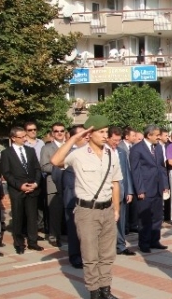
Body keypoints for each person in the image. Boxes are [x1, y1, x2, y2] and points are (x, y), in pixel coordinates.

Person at [50, 115, 122, 299]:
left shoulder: (111, 153)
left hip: (107, 210)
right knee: (90, 256)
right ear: (90, 134)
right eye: (101, 132)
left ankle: (106, 290)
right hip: (87, 211)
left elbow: (115, 183)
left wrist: (116, 209)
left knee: (107, 254)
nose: (106, 135)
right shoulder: (78, 154)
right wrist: (73, 138)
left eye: (107, 131)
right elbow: (55, 161)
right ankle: (94, 292)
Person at [1, 126, 44, 255]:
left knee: (32, 217)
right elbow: (7, 173)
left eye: (25, 136)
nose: (25, 139)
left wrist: (35, 183)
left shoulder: (30, 151)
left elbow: (37, 169)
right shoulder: (6, 153)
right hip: (17, 190)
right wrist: (20, 185)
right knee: (18, 217)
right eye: (21, 137)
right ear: (13, 138)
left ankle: (33, 242)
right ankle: (19, 243)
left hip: (32, 189)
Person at [129, 125, 169, 253]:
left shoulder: (158, 148)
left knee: (157, 216)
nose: (159, 137)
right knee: (145, 218)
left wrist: (165, 186)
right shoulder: (137, 149)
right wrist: (139, 189)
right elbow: (135, 171)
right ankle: (144, 243)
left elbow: (162, 168)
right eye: (157, 135)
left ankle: (154, 240)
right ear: (149, 135)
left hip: (158, 187)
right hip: (145, 188)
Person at [61, 125, 87, 269]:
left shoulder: (90, 152)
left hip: (89, 200)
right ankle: (75, 256)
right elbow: (59, 175)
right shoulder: (67, 154)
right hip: (73, 197)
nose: (87, 136)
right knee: (74, 230)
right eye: (83, 135)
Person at [107, 127, 136, 256]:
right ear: (108, 138)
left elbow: (126, 172)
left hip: (121, 191)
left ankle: (121, 245)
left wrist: (129, 191)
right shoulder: (102, 152)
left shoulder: (121, 152)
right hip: (106, 193)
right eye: (114, 140)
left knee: (121, 220)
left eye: (118, 140)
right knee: (108, 221)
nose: (116, 143)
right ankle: (108, 247)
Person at [39, 122, 67, 247]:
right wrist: (62, 165)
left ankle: (67, 234)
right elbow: (45, 166)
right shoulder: (47, 148)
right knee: (55, 212)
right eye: (56, 131)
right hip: (54, 184)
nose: (59, 133)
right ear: (52, 133)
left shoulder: (69, 146)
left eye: (61, 130)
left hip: (69, 183)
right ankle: (54, 236)